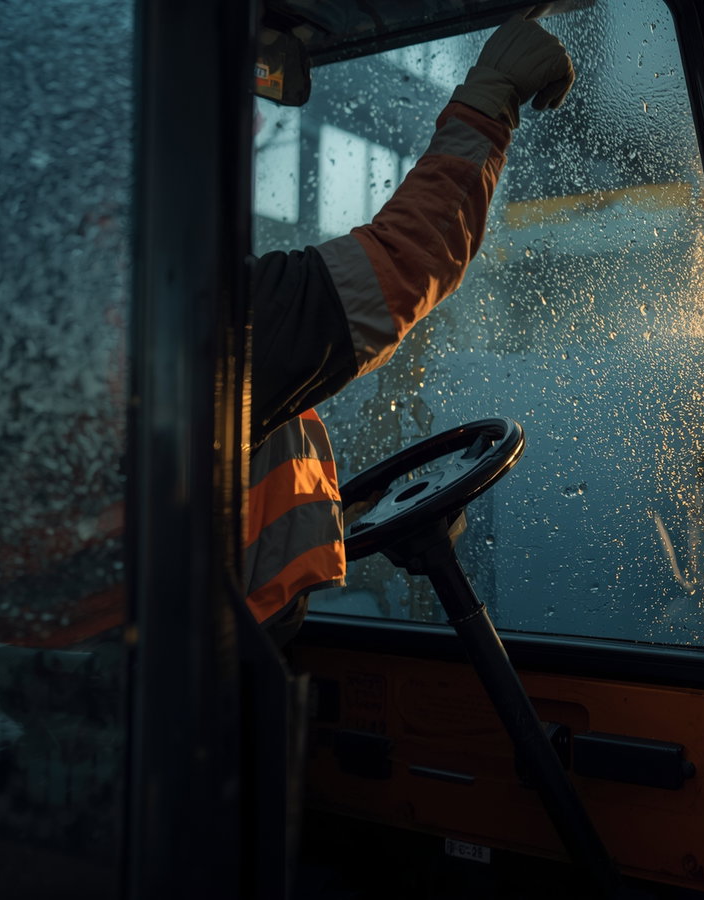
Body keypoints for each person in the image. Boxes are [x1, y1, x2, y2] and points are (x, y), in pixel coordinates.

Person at [245, 18, 576, 646]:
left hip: (134, 677)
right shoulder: (176, 315)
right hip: (195, 694)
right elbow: (404, 262)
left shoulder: (60, 315)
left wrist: (345, 517)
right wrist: (490, 95)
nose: (255, 127)